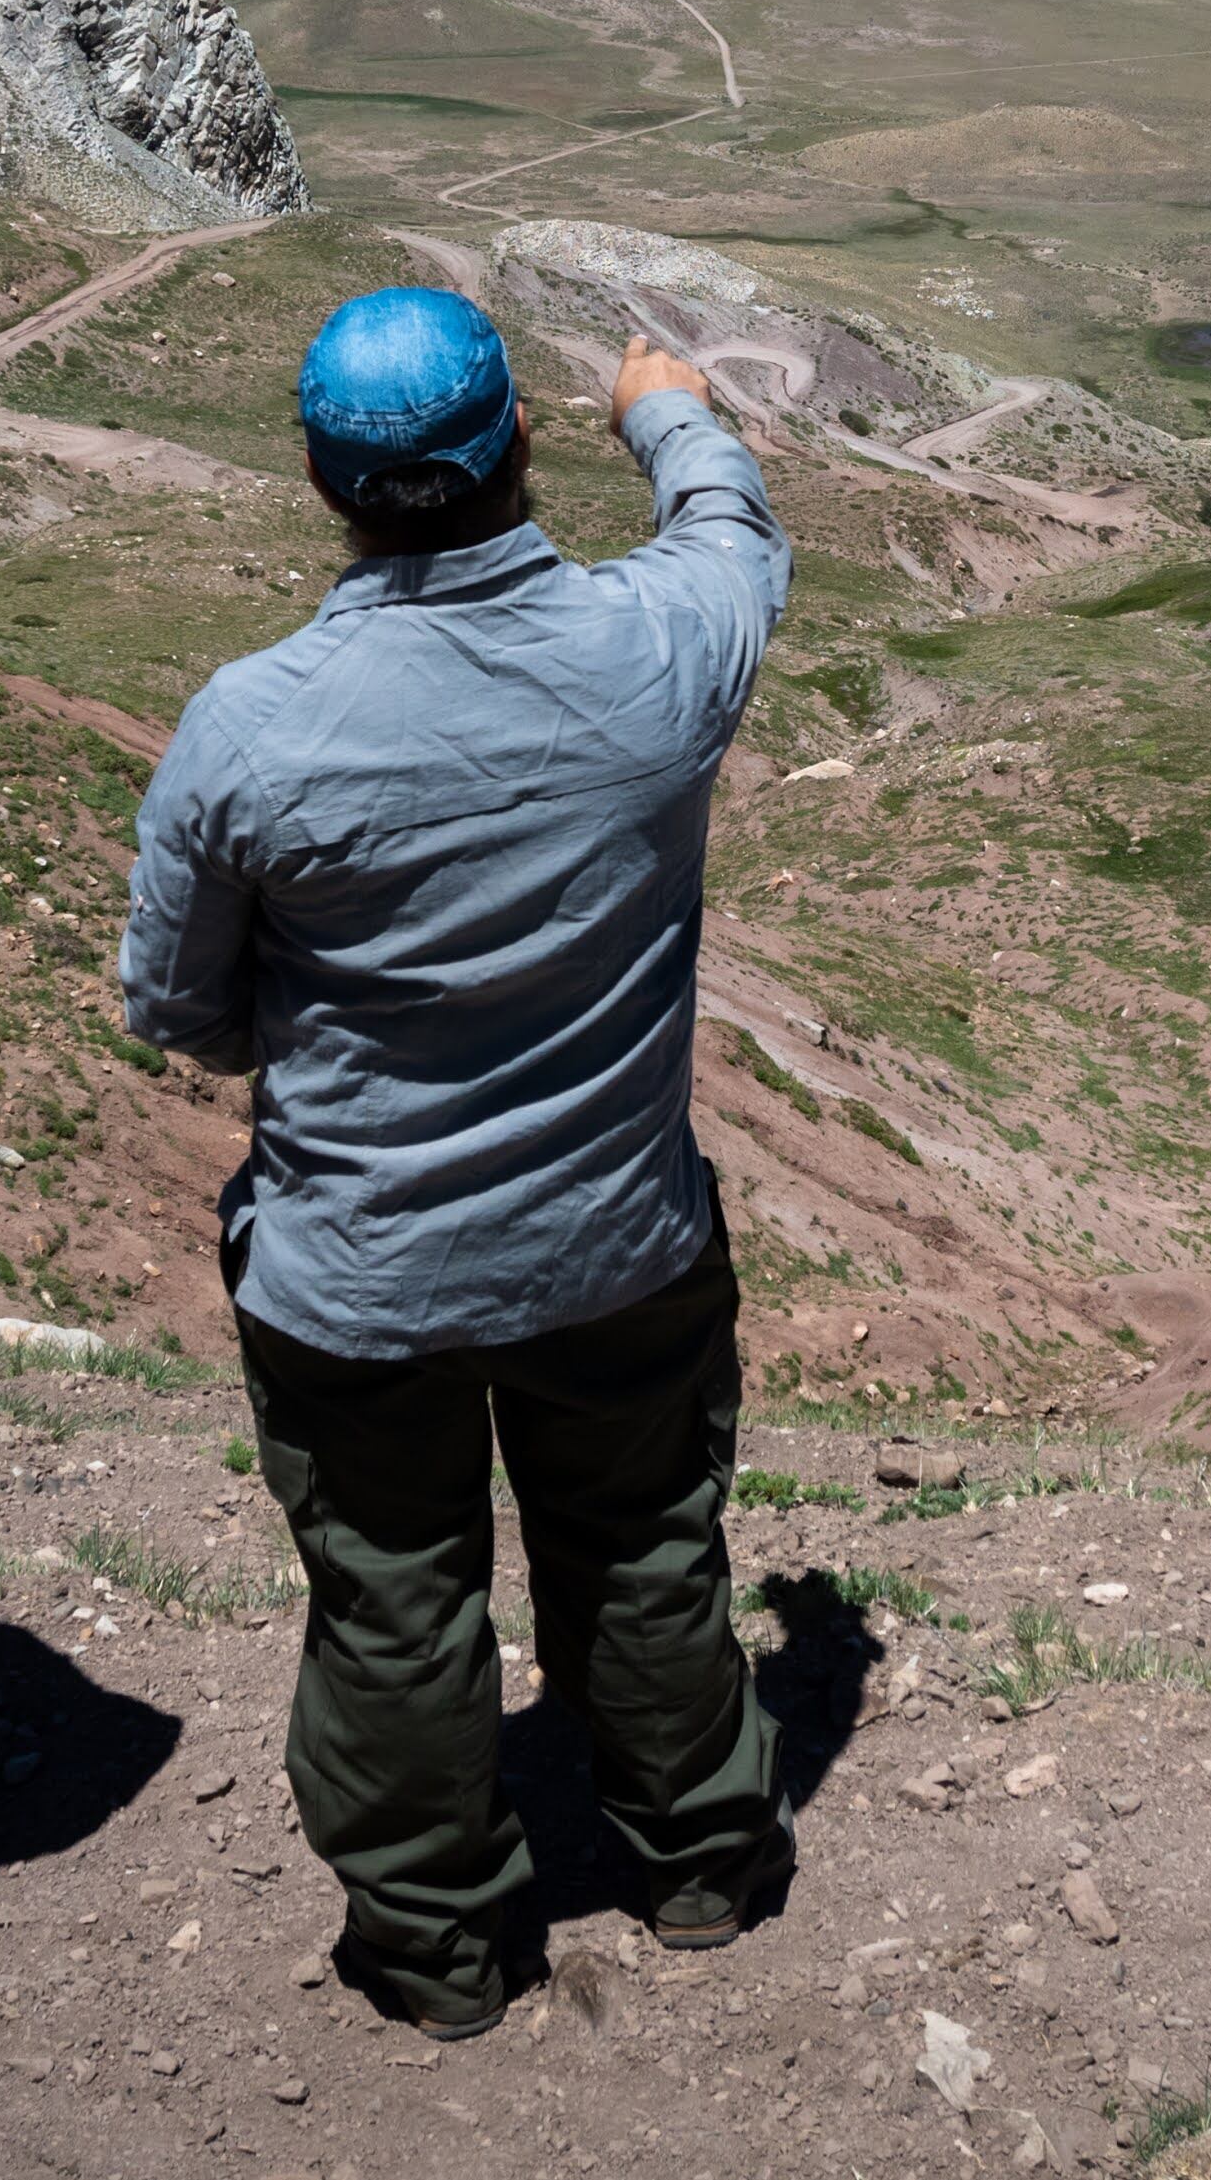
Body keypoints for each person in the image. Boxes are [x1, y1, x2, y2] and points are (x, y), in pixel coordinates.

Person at [122, 286, 794, 2037]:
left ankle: (436, 1953)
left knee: (395, 1601)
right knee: (648, 1542)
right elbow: (732, 530)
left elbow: (178, 1007)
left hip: (359, 1268)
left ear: (324, 481)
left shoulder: (253, 726)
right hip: (618, 1239)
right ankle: (701, 1864)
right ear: (512, 442)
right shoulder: (656, 654)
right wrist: (663, 404)